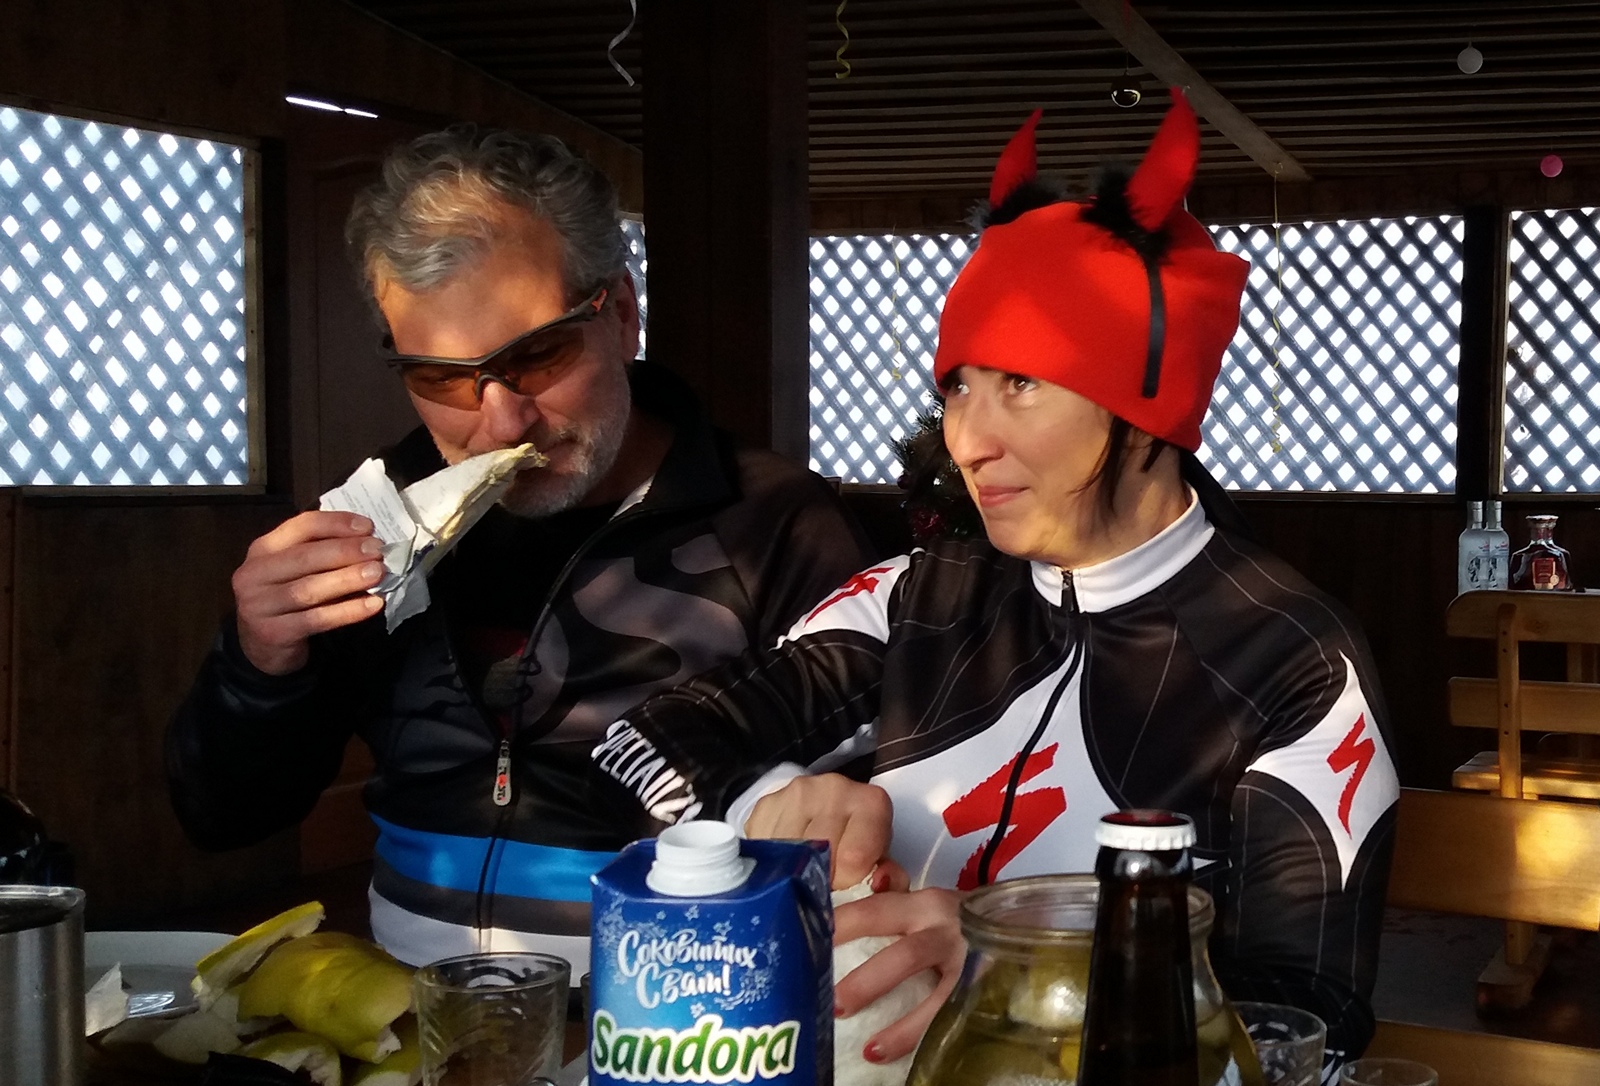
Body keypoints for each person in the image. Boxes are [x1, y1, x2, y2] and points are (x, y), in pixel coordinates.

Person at [593, 94, 1398, 1081]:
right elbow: (647, 738)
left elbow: (1311, 1024)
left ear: (1147, 410)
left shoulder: (1292, 662)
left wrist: (1023, 962)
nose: (968, 441)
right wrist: (771, 803)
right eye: (957, 386)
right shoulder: (925, 596)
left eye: (1020, 383)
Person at [166, 126, 875, 975]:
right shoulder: (379, 522)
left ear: (621, 314)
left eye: (538, 355)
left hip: (678, 1006)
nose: (502, 422)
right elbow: (226, 817)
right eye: (440, 377)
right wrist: (258, 663)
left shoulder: (773, 522)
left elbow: (876, 808)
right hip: (416, 1004)